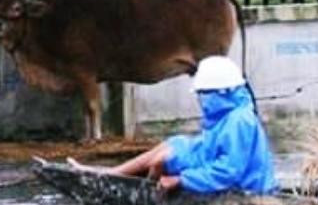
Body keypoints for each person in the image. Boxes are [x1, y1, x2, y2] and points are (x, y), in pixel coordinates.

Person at [69, 56, 278, 195]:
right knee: (172, 146)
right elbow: (211, 148)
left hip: (244, 188)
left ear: (222, 93)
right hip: (212, 166)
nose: (201, 100)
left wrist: (181, 180)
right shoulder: (227, 115)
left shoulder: (240, 121)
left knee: (162, 160)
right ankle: (111, 174)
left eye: (204, 94)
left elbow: (229, 171)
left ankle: (138, 186)